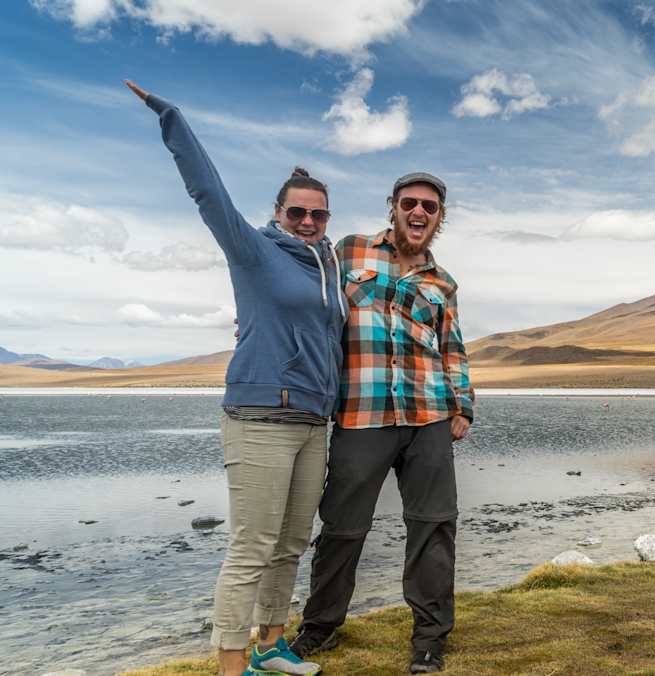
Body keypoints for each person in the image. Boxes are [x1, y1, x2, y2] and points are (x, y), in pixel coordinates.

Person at [126, 80, 344, 676]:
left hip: (312, 422)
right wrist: (171, 117)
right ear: (278, 212)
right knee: (251, 547)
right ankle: (231, 665)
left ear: (327, 219)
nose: (305, 220)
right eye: (295, 211)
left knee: (291, 545)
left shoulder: (331, 269)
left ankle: (273, 647)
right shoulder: (252, 249)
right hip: (259, 417)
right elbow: (207, 191)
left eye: (316, 213)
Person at [289, 172, 474, 674]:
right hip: (361, 413)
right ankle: (320, 627)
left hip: (429, 415)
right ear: (392, 206)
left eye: (430, 207)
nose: (419, 212)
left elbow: (452, 348)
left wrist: (462, 406)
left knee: (434, 527)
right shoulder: (347, 252)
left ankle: (430, 640)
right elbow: (300, 288)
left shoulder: (443, 282)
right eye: (410, 203)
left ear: (439, 218)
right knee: (342, 528)